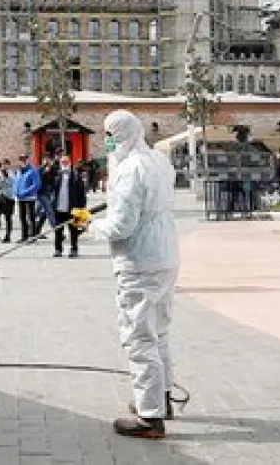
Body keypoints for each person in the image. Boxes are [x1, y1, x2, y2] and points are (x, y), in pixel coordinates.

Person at [97, 109, 180, 440]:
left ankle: (149, 417)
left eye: (108, 135)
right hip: (166, 255)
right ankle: (161, 399)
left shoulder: (131, 169)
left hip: (139, 260)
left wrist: (90, 224)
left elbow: (121, 226)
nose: (105, 141)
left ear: (121, 135)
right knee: (159, 332)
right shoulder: (157, 161)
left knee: (139, 336)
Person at [53, 160, 88, 257]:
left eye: (66, 162)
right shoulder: (57, 176)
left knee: (73, 230)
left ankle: (74, 249)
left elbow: (82, 194)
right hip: (59, 207)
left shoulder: (76, 176)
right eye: (62, 162)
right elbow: (53, 191)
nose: (64, 164)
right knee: (58, 230)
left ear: (70, 163)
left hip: (72, 208)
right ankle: (58, 249)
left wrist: (81, 208)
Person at [13, 157, 41, 239]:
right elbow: (16, 183)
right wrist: (15, 192)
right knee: (22, 218)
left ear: (28, 161)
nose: (23, 161)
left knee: (31, 217)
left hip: (29, 198)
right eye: (21, 160)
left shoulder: (33, 170)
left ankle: (32, 236)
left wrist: (24, 192)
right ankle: (24, 236)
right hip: (20, 198)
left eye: (24, 160)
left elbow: (36, 185)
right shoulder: (19, 171)